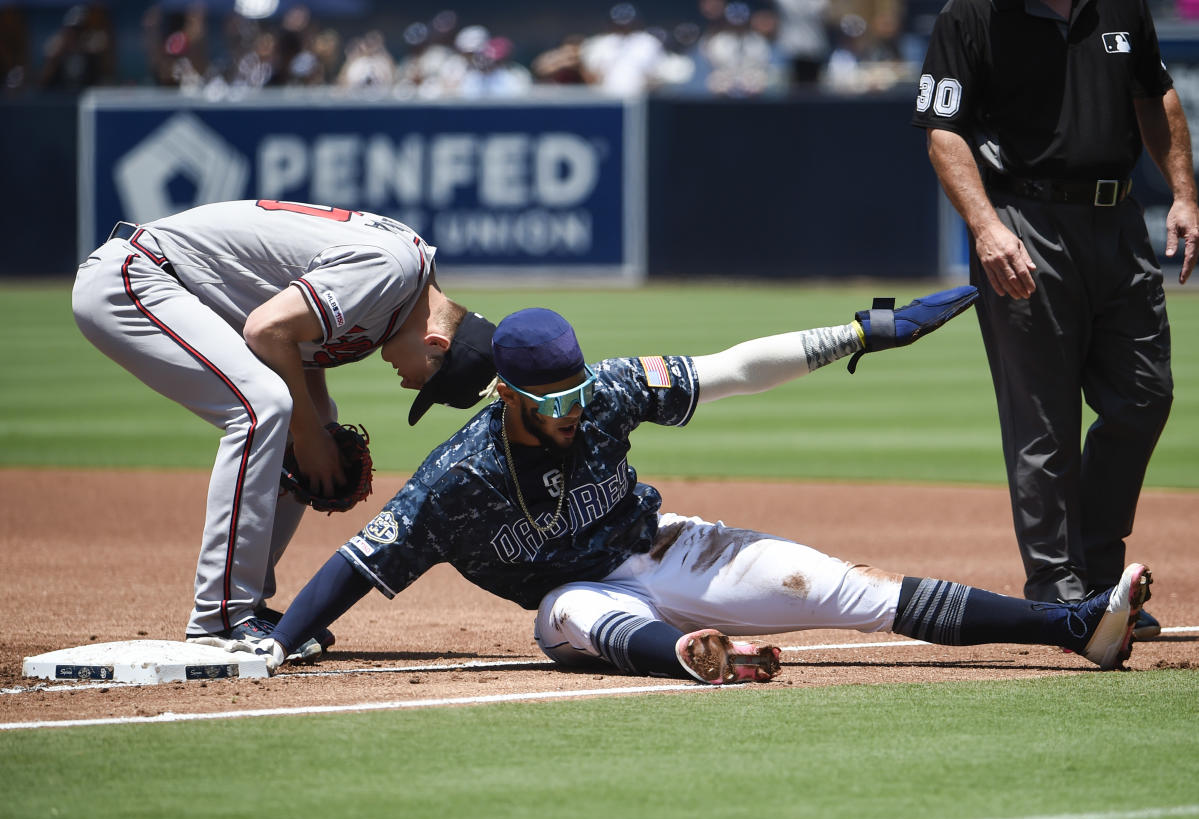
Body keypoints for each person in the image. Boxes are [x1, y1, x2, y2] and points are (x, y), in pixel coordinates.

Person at [248, 294, 1154, 683]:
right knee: (565, 612)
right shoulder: (457, 479)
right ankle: (684, 658)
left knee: (849, 592)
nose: (569, 410)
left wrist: (853, 334)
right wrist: (282, 643)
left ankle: (1072, 627)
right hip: (585, 598)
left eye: (573, 392)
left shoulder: (603, 391)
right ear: (508, 397)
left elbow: (728, 370)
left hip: (659, 545)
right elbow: (358, 563)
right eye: (550, 399)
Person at [71, 199, 498, 658]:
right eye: (426, 382)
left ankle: (249, 604)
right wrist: (309, 437)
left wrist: (318, 434)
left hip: (167, 283)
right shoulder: (389, 271)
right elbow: (265, 329)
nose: (409, 384)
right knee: (263, 408)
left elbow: (294, 345)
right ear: (435, 342)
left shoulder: (398, 293)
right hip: (138, 276)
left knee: (311, 419)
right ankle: (220, 619)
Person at [911, 0, 1198, 640]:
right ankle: (1061, 596)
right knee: (1042, 422)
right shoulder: (972, 16)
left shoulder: (1121, 6)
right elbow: (942, 130)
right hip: (1023, 220)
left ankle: (1099, 577)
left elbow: (1157, 95)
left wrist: (1182, 193)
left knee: (1145, 397)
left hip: (1117, 220)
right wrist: (985, 228)